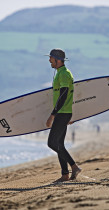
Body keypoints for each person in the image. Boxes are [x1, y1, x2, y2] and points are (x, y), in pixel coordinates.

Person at [45, 48, 81, 182]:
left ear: (57, 60)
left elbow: (64, 94)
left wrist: (52, 115)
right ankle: (65, 174)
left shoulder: (64, 74)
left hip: (61, 113)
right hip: (63, 113)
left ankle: (74, 166)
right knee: (59, 143)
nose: (49, 60)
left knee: (52, 143)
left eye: (51, 58)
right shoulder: (61, 73)